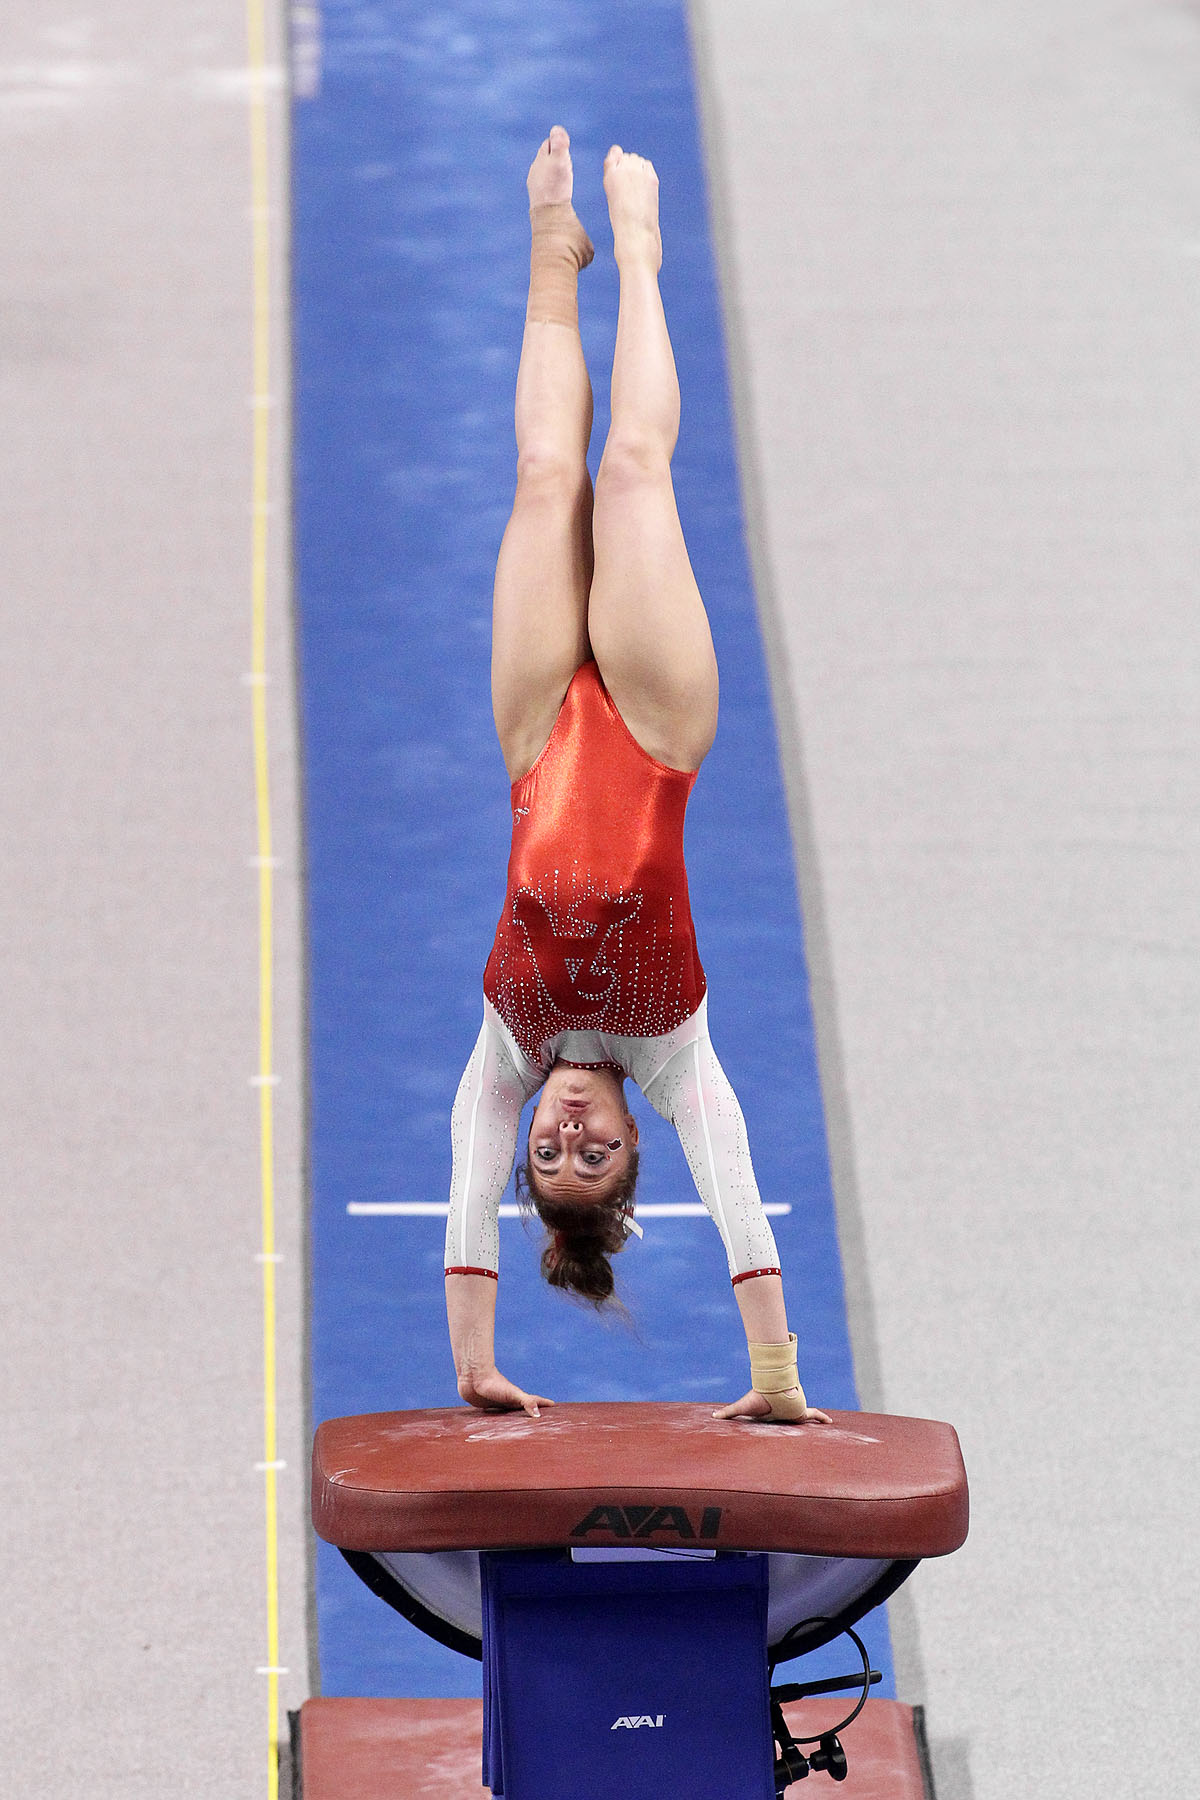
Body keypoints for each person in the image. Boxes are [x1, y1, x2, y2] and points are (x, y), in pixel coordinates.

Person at [444, 128, 830, 1429]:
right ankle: (644, 252)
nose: (563, 1129)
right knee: (629, 472)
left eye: (546, 1155)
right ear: (631, 1142)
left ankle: (554, 253)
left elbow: (467, 1200)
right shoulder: (674, 1054)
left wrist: (473, 1362)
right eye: (592, 1153)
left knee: (545, 476)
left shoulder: (506, 1050)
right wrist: (774, 1375)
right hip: (658, 733)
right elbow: (739, 1192)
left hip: (535, 734)